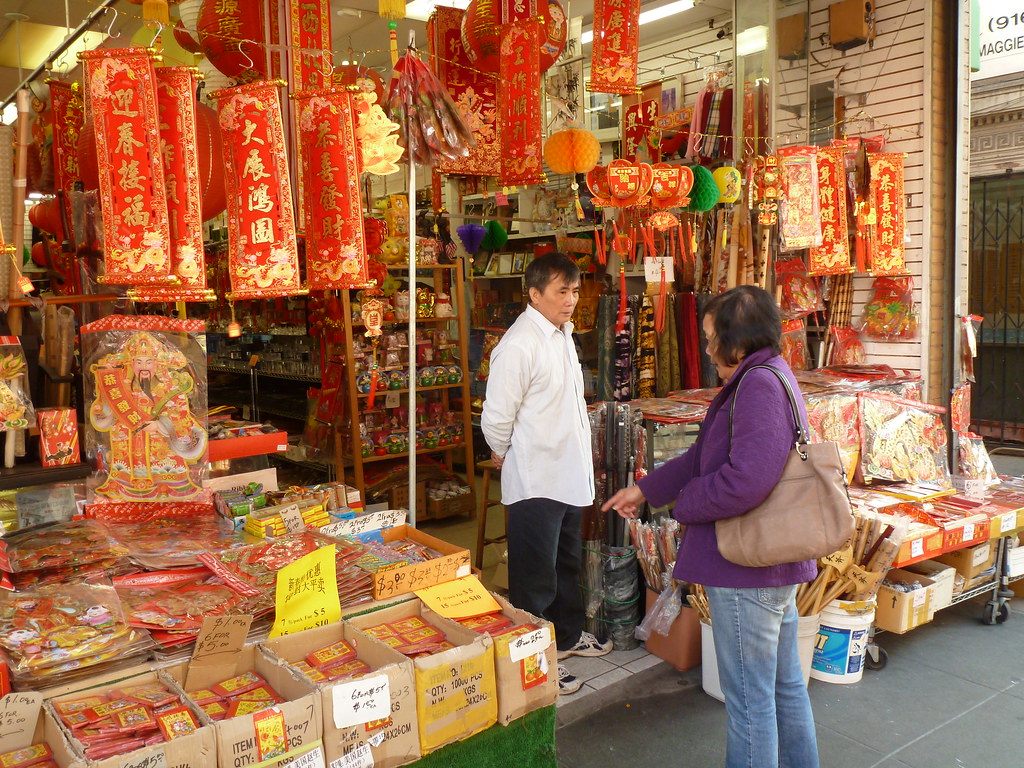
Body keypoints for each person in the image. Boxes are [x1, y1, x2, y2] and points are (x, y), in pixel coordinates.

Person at [602, 285, 819, 768]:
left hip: (746, 570)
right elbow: (704, 457)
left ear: (735, 339)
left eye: (709, 335)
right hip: (765, 567)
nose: (704, 345)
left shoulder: (758, 384)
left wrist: (685, 505)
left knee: (751, 704)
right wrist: (648, 489)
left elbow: (746, 481)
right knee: (781, 688)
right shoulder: (759, 377)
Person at [481, 252, 612, 696]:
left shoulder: (560, 336)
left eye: (575, 291)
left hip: (568, 475)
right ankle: (535, 663)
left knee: (565, 566)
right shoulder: (519, 344)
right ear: (534, 294)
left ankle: (568, 638)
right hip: (536, 479)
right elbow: (496, 417)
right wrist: (503, 453)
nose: (571, 299)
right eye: (562, 291)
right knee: (534, 579)